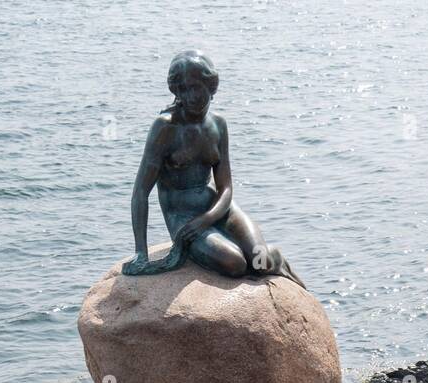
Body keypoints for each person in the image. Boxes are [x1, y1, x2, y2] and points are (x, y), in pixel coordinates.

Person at [124, 49, 303, 283]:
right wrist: (141, 253)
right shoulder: (165, 128)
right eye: (183, 89)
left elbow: (226, 188)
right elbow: (140, 192)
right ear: (176, 90)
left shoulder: (218, 125)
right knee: (235, 263)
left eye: (197, 87)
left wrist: (206, 219)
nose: (190, 96)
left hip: (217, 209)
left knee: (261, 261)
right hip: (183, 217)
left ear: (211, 86)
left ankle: (275, 257)